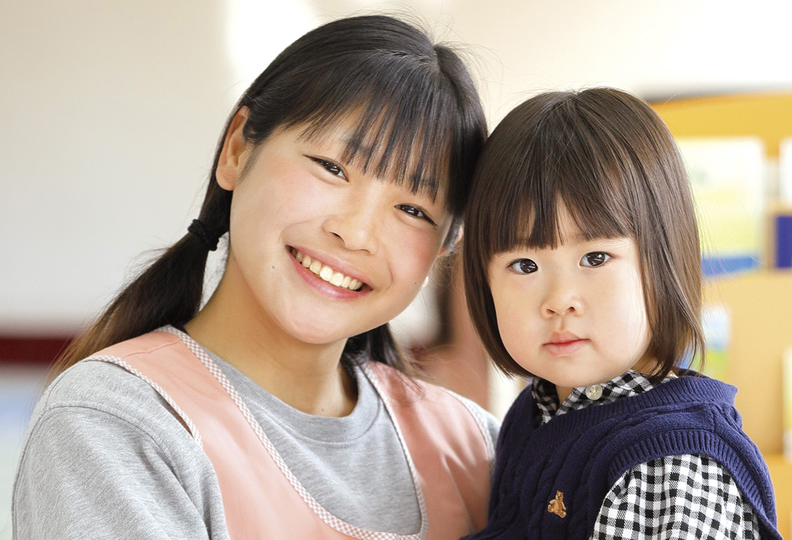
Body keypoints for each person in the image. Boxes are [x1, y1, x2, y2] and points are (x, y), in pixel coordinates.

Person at [13, 15, 499, 540]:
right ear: (237, 150)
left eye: (412, 208)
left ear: (446, 246)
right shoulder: (117, 422)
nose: (357, 233)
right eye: (333, 167)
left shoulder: (476, 446)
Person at [461, 88, 782, 539]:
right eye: (525, 265)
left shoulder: (669, 465)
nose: (559, 300)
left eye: (595, 258)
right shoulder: (535, 411)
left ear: (662, 258)